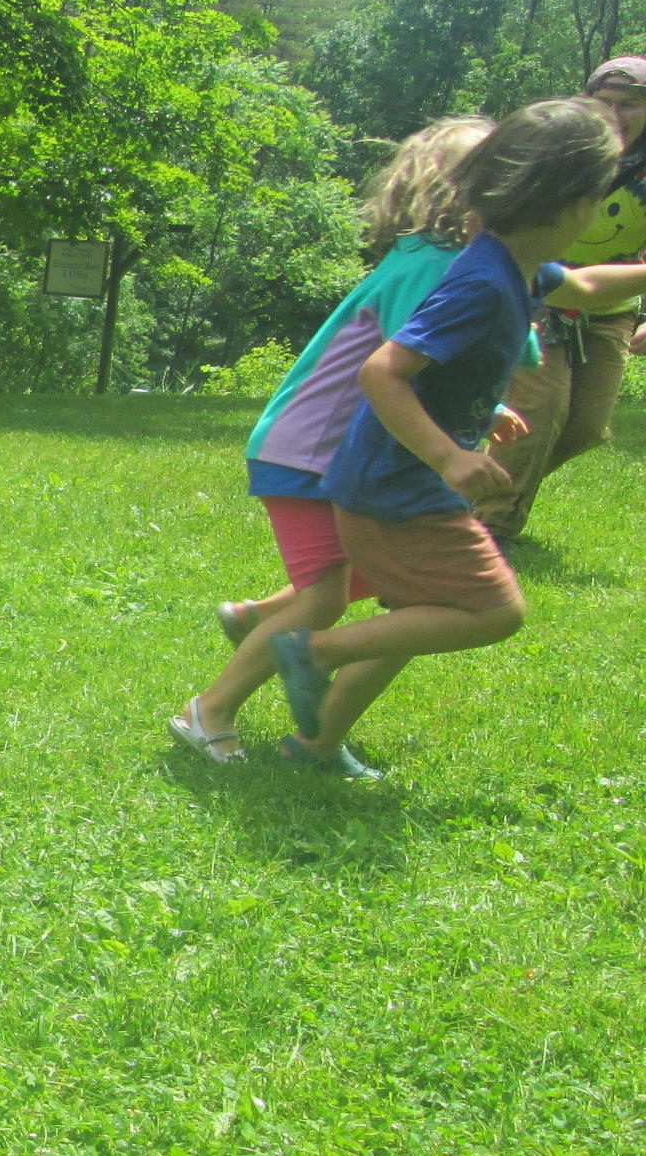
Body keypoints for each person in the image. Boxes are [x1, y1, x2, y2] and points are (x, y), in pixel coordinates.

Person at [267, 99, 639, 771]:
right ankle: (312, 650)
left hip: (386, 480)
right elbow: (383, 372)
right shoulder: (484, 283)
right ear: (576, 207)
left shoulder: (510, 261)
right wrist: (448, 456)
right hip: (397, 484)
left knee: (421, 612)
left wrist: (478, 411)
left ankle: (314, 743)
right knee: (496, 611)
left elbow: (585, 287)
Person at [168, 118, 497, 772]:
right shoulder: (434, 265)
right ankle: (209, 711)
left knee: (381, 576)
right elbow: (407, 363)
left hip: (341, 452)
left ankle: (259, 620)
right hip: (310, 450)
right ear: (462, 195)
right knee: (326, 597)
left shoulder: (433, 259)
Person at [475, 56, 646, 541]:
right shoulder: (560, 151)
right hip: (539, 293)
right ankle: (488, 530)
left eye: (630, 104)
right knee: (539, 414)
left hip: (610, 309)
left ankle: (466, 495)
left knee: (586, 427)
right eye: (605, 101)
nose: (616, 114)